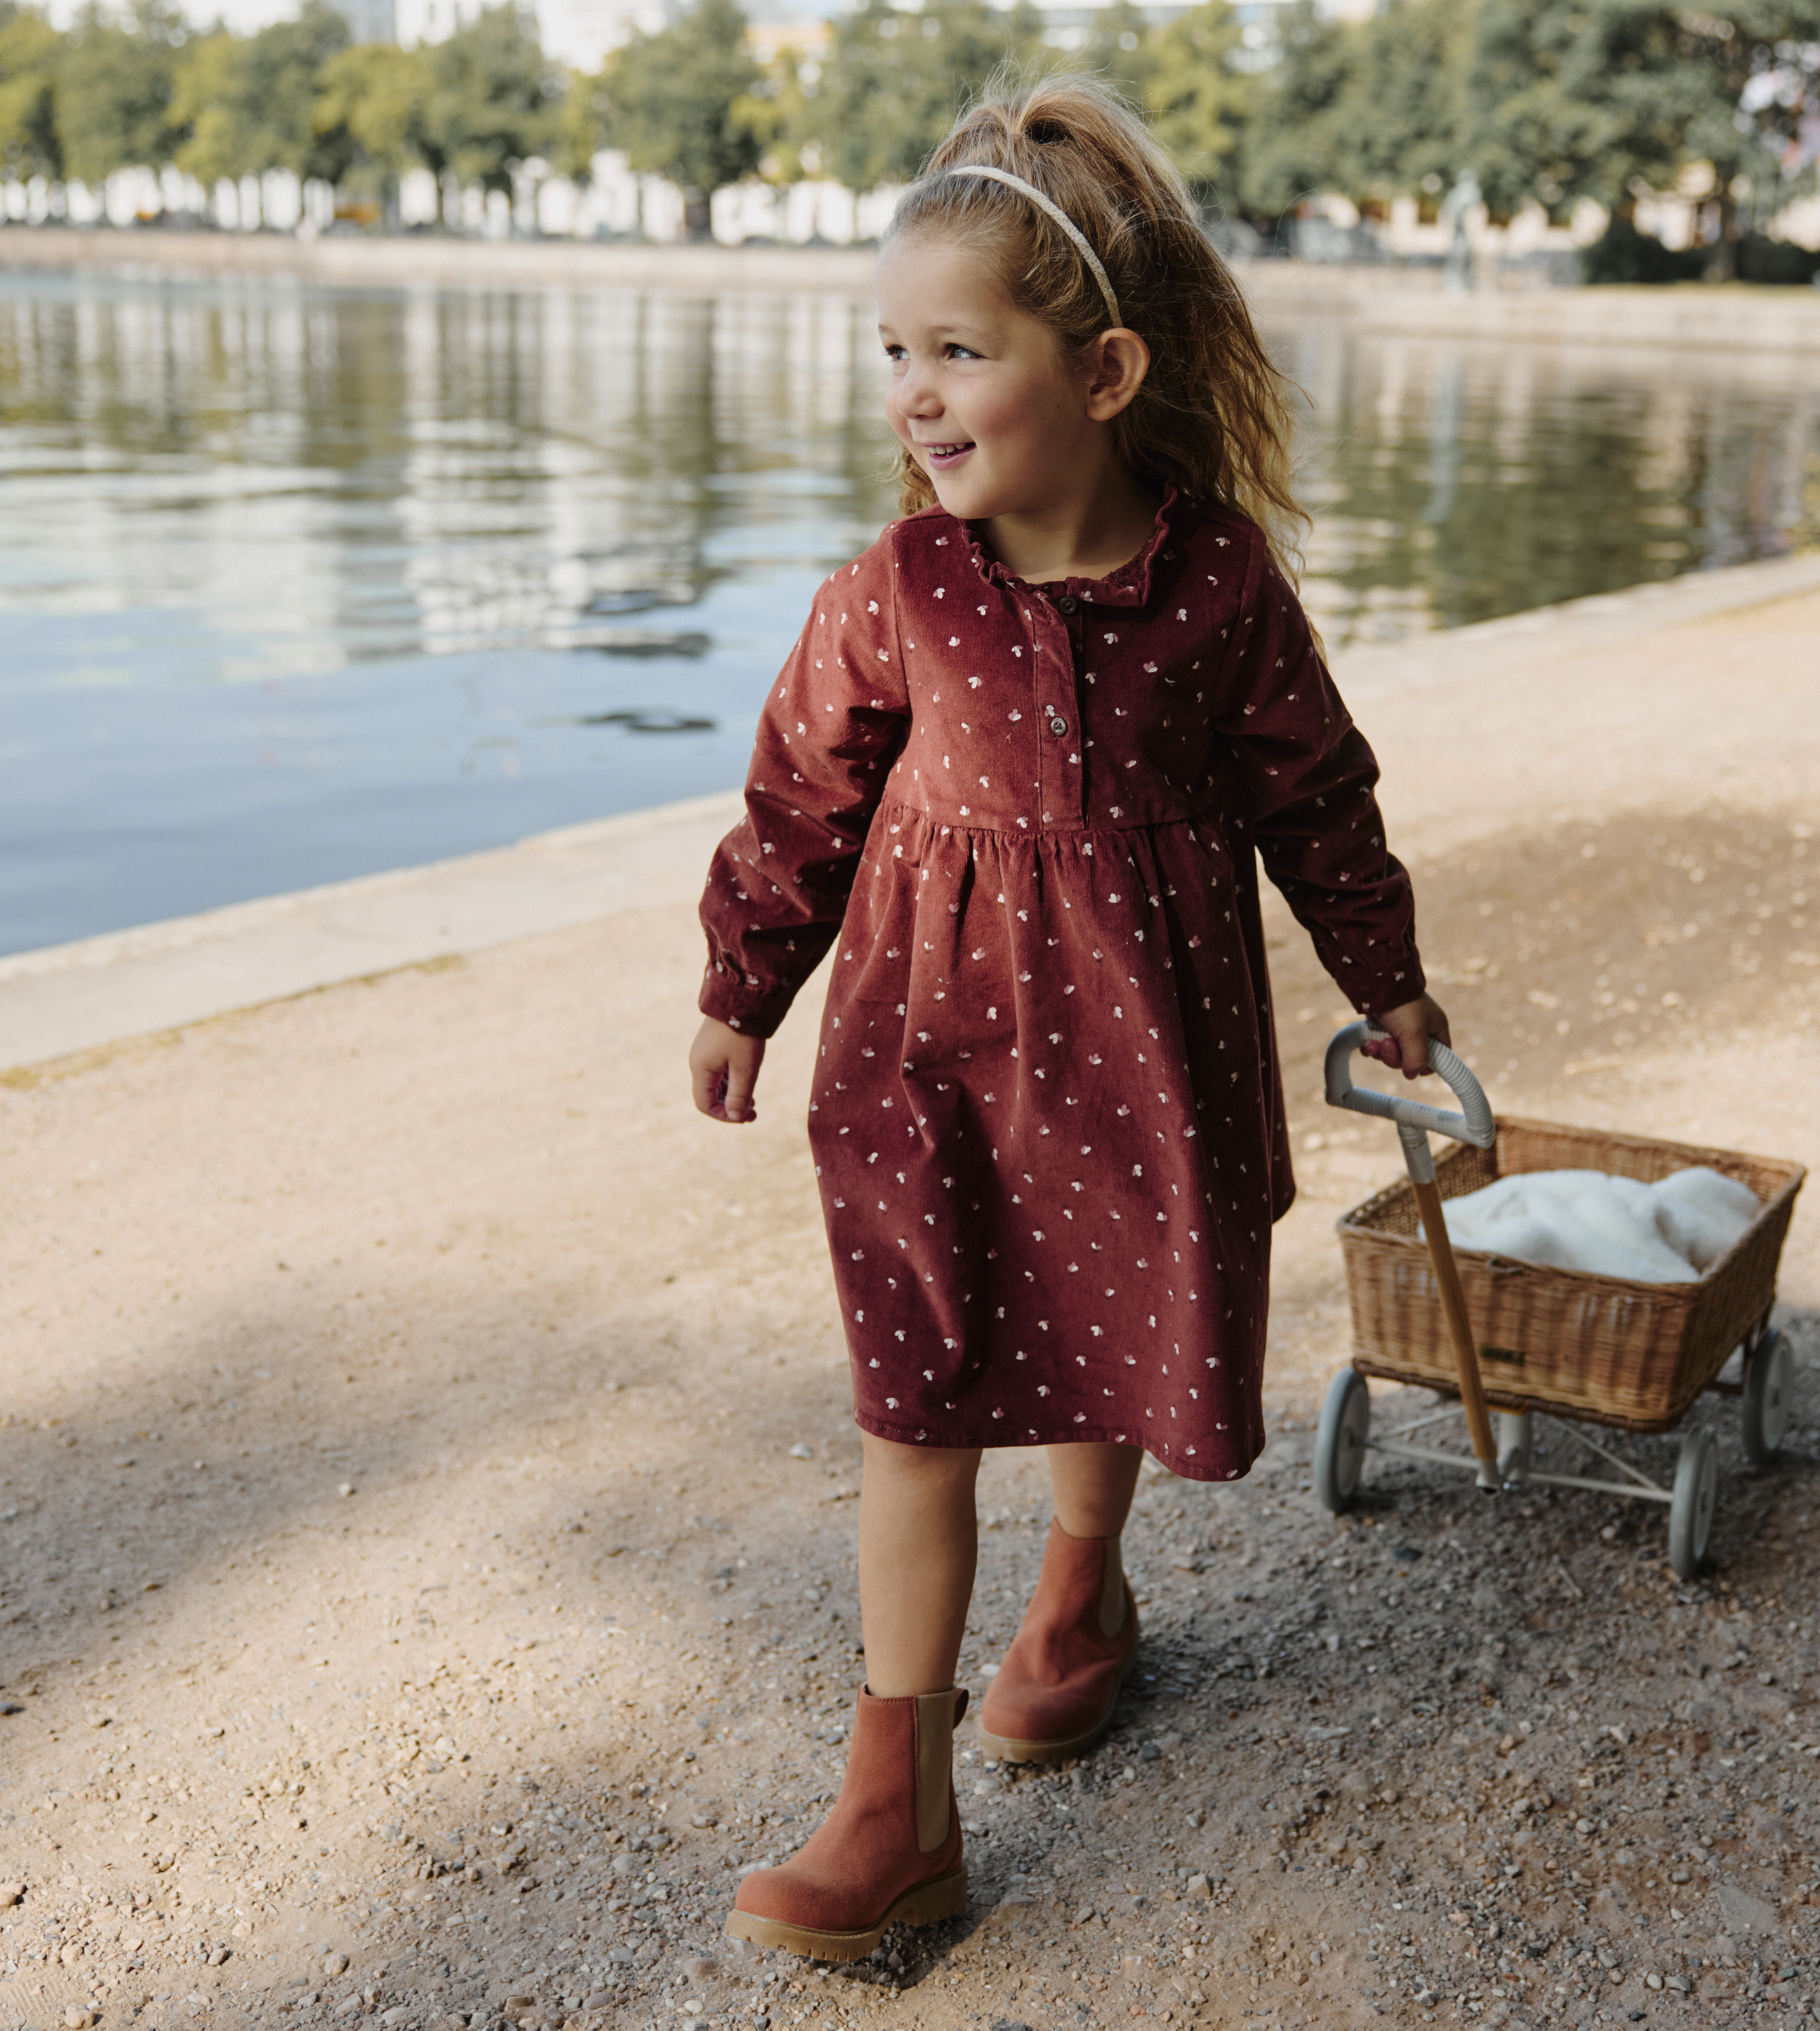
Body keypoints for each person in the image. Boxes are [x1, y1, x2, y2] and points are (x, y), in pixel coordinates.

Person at [685, 72, 1453, 1963]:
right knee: (917, 1403)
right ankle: (897, 1802)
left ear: (1104, 374)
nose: (914, 394)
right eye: (894, 352)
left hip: (1143, 1059)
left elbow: (1317, 793)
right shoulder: (896, 593)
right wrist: (741, 986)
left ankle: (1083, 1599)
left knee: (1106, 1336)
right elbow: (801, 799)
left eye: (960, 349)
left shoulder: (1217, 589)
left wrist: (1389, 974)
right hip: (921, 1066)